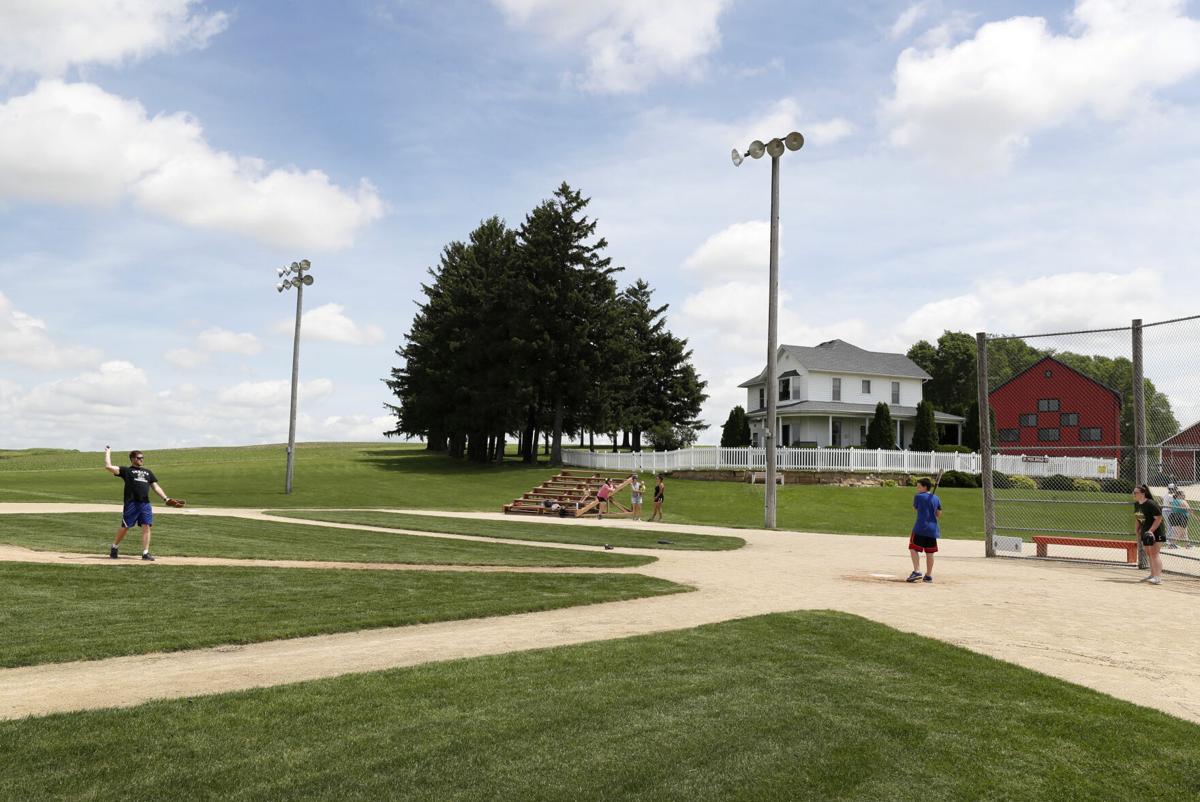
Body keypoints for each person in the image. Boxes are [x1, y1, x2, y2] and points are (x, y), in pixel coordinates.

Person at [104, 447, 174, 561]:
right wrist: (108, 453)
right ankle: (114, 547)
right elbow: (108, 467)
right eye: (139, 458)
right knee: (126, 527)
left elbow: (155, 486)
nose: (141, 459)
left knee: (146, 526)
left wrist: (166, 498)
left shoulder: (148, 472)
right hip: (131, 503)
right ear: (132, 459)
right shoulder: (127, 471)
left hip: (145, 504)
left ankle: (145, 553)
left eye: (142, 458)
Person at [906, 477, 941, 583]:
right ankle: (928, 575)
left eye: (919, 486)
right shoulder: (936, 498)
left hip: (920, 527)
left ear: (925, 487)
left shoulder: (918, 497)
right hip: (932, 529)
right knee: (930, 553)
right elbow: (938, 513)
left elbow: (916, 508)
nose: (917, 488)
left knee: (913, 548)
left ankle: (917, 571)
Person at [1133, 484, 1166, 584]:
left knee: (1154, 553)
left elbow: (1159, 519)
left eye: (1136, 492)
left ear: (1143, 493)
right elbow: (1139, 518)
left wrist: (1151, 531)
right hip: (1146, 531)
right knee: (1149, 553)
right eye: (1133, 492)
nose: (1134, 494)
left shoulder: (1151, 503)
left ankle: (1158, 577)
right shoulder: (1137, 504)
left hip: (1156, 531)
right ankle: (1153, 574)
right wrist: (1137, 530)